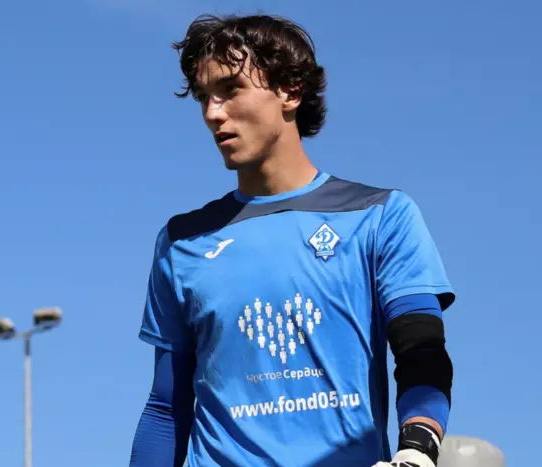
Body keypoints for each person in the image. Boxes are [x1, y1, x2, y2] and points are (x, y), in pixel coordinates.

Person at [129, 13, 454, 467]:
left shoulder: (380, 216)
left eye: (230, 89)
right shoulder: (182, 241)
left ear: (291, 90)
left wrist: (417, 449)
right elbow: (166, 406)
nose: (213, 113)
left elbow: (422, 352)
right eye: (203, 97)